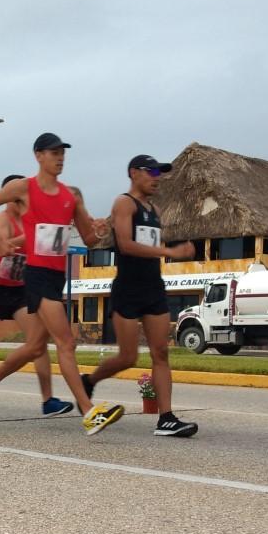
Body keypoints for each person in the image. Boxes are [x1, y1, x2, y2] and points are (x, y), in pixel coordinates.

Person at [0, 132, 125, 435]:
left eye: (63, 153)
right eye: (54, 152)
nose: (60, 158)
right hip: (36, 276)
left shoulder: (73, 196)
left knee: (34, 347)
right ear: (38, 155)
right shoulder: (24, 188)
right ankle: (89, 411)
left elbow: (89, 239)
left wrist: (102, 228)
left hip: (57, 278)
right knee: (66, 343)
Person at [81, 155, 199, 437]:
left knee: (161, 353)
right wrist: (170, 252)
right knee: (128, 357)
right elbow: (125, 244)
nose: (157, 177)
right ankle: (90, 380)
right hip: (128, 288)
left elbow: (148, 245)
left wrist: (168, 253)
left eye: (160, 173)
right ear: (134, 172)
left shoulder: (155, 209)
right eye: (152, 171)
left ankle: (166, 418)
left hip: (153, 287)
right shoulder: (124, 203)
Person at [0, 175, 73, 419]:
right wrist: (27, 238)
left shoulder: (30, 220)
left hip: (20, 290)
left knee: (38, 343)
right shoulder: (3, 219)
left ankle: (48, 400)